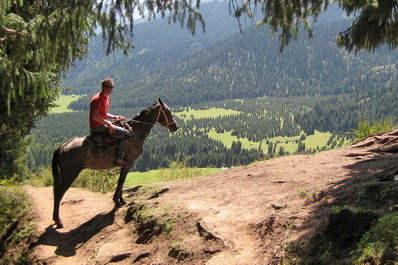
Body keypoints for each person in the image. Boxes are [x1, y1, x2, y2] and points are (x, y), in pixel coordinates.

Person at [89, 78, 131, 167]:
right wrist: (108, 124)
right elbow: (95, 116)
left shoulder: (107, 98)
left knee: (121, 126)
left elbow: (103, 113)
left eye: (111, 87)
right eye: (107, 86)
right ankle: (118, 159)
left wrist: (115, 117)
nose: (109, 89)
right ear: (102, 87)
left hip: (102, 123)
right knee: (126, 134)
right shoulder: (97, 99)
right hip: (97, 126)